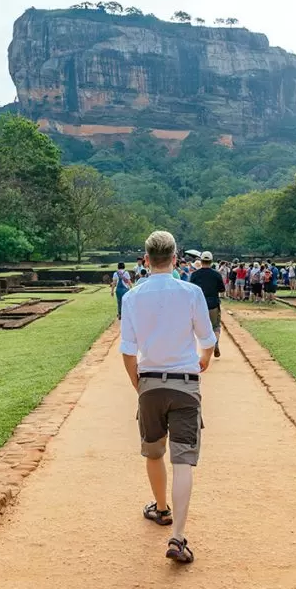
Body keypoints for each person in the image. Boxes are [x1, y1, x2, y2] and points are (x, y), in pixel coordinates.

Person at [120, 231, 216, 564]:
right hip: (185, 383)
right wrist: (202, 361)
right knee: (183, 459)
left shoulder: (132, 297)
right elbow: (207, 340)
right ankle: (177, 537)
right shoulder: (191, 292)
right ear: (175, 259)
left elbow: (128, 352)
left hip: (149, 382)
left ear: (146, 260)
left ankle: (161, 509)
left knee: (154, 450)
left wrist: (139, 386)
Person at [190, 251, 225, 358]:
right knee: (215, 326)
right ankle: (215, 343)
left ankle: (198, 351)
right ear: (211, 261)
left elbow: (191, 290)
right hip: (213, 304)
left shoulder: (195, 275)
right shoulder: (216, 274)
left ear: (201, 261)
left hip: (199, 305)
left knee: (196, 328)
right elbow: (222, 289)